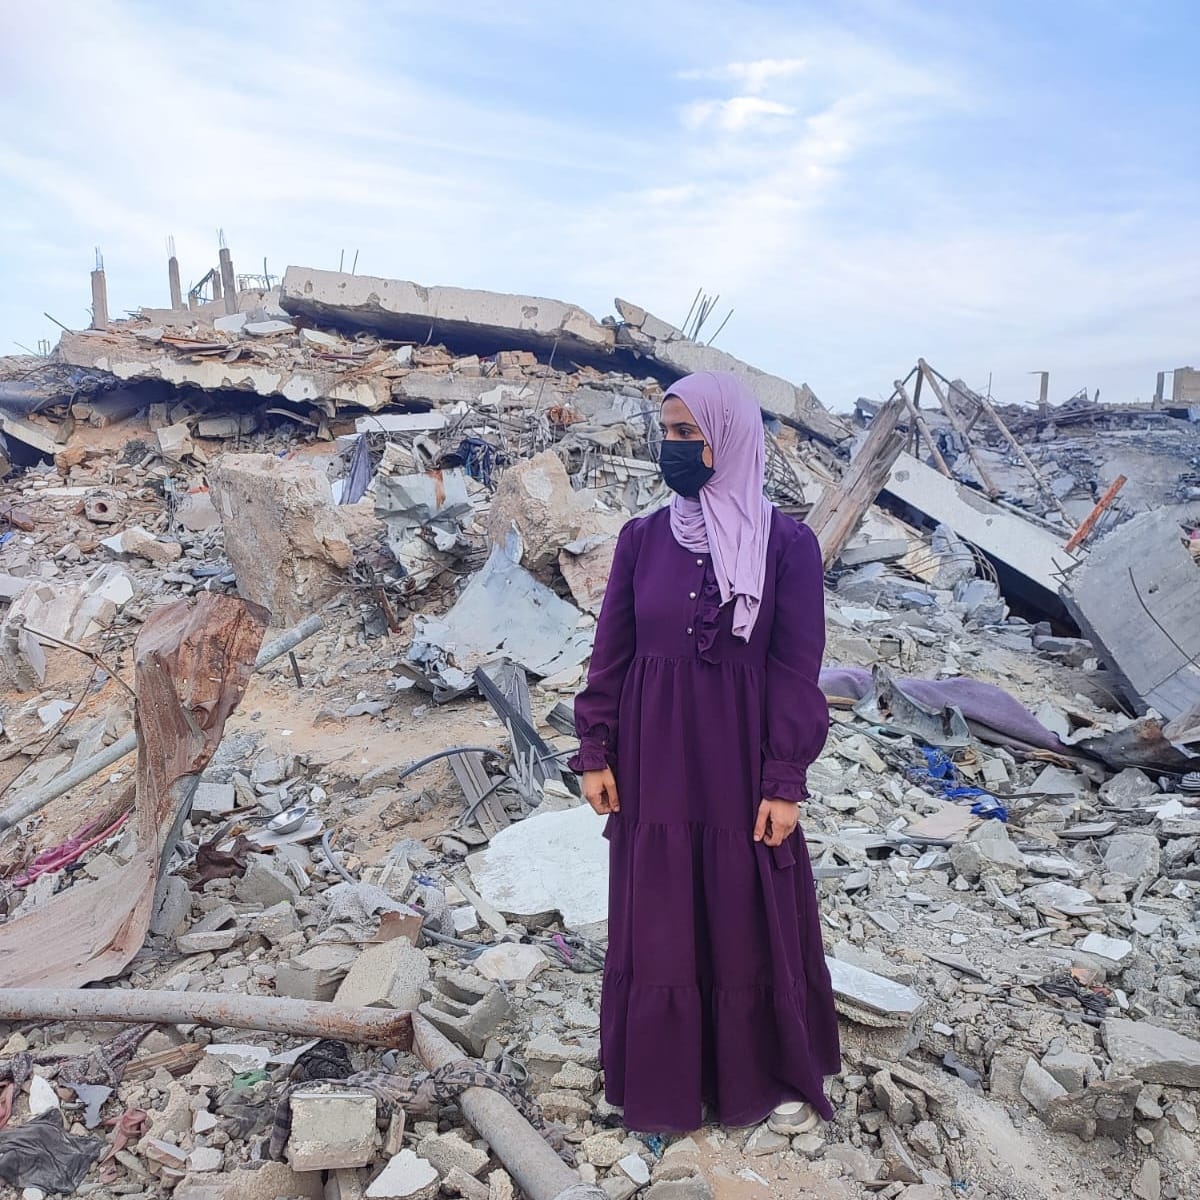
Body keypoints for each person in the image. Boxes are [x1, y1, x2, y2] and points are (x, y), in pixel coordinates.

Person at [568, 370, 840, 1134]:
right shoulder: (641, 540)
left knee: (741, 907)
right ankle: (661, 1079)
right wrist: (596, 750)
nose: (674, 448)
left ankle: (749, 1075)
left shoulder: (787, 546)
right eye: (669, 433)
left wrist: (785, 779)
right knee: (658, 922)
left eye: (690, 435)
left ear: (732, 438)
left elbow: (796, 671)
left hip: (738, 767)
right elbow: (610, 657)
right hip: (654, 770)